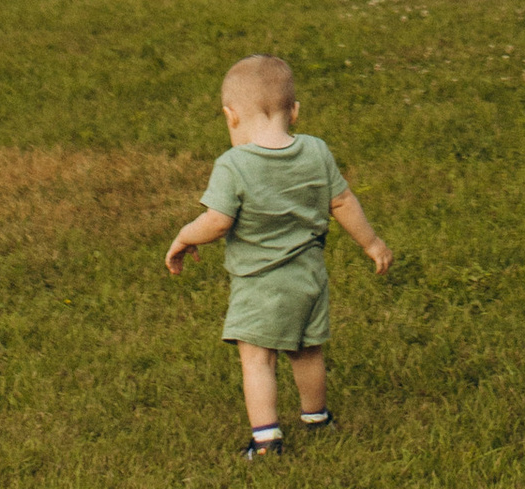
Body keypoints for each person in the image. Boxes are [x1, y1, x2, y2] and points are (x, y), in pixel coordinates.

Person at [164, 53, 392, 462]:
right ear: (296, 111)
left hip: (259, 283)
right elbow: (342, 201)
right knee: (307, 350)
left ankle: (267, 439)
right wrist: (372, 243)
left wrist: (185, 235)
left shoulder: (234, 165)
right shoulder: (316, 152)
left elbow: (217, 221)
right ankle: (317, 417)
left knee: (257, 359)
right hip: (309, 278)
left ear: (230, 115)